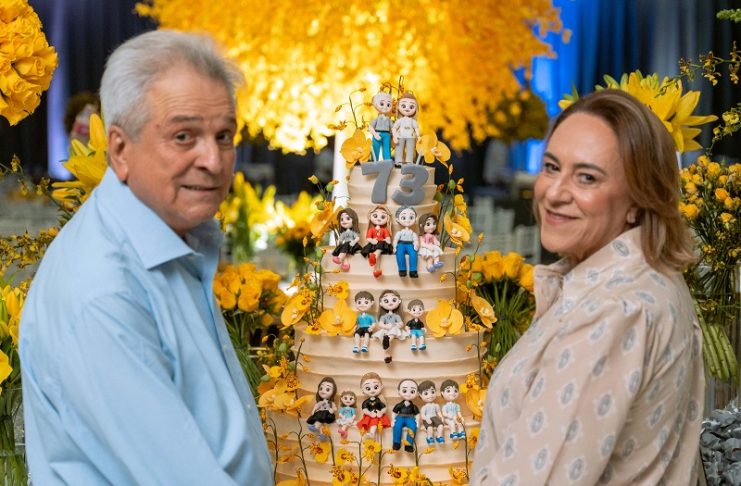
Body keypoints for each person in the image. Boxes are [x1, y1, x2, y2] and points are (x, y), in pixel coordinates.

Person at [19, 30, 273, 485]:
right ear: (119, 149)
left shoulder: (172, 240)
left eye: (224, 136)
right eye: (183, 136)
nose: (213, 161)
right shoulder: (103, 290)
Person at [471, 89, 704, 485]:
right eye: (551, 167)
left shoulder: (612, 311)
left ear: (639, 198)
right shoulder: (641, 280)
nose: (554, 193)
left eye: (587, 177)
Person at [392, 379, 420, 452]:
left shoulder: (413, 406)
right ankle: (396, 443)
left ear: (417, 393)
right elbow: (394, 412)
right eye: (404, 391)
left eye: (412, 391)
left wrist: (417, 421)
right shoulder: (399, 405)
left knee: (413, 427)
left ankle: (408, 445)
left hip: (410, 417)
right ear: (399, 392)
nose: (408, 394)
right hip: (400, 417)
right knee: (397, 426)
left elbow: (417, 414)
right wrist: (393, 420)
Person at [392, 205, 419, 278]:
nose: (407, 220)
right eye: (403, 218)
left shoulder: (412, 233)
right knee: (399, 253)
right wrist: (394, 246)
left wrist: (416, 244)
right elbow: (395, 240)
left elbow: (415, 240)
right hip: (401, 244)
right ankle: (402, 270)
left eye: (411, 217)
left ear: (415, 219)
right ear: (398, 219)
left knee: (413, 254)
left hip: (410, 244)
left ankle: (413, 271)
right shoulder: (399, 232)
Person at [369, 91, 393, 161]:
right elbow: (370, 126)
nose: (385, 107)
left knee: (386, 148)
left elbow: (393, 127)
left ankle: (387, 161)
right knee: (375, 148)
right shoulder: (377, 119)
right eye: (382, 104)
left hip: (387, 135)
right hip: (377, 133)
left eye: (388, 105)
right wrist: (375, 134)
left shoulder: (389, 119)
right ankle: (374, 161)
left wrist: (395, 135)